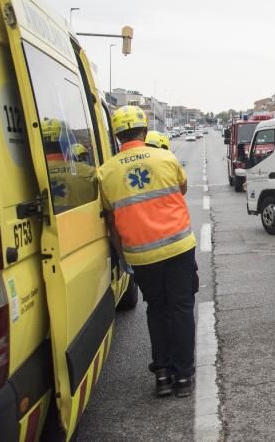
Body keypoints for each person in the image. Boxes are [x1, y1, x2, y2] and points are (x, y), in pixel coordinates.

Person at [97, 105, 198, 398]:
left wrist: (123, 256)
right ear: (143, 130)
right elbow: (182, 190)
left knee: (156, 309)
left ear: (117, 136)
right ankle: (183, 378)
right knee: (181, 309)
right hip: (178, 248)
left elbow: (111, 222)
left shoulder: (106, 172)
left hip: (141, 255)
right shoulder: (166, 157)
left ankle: (163, 375)